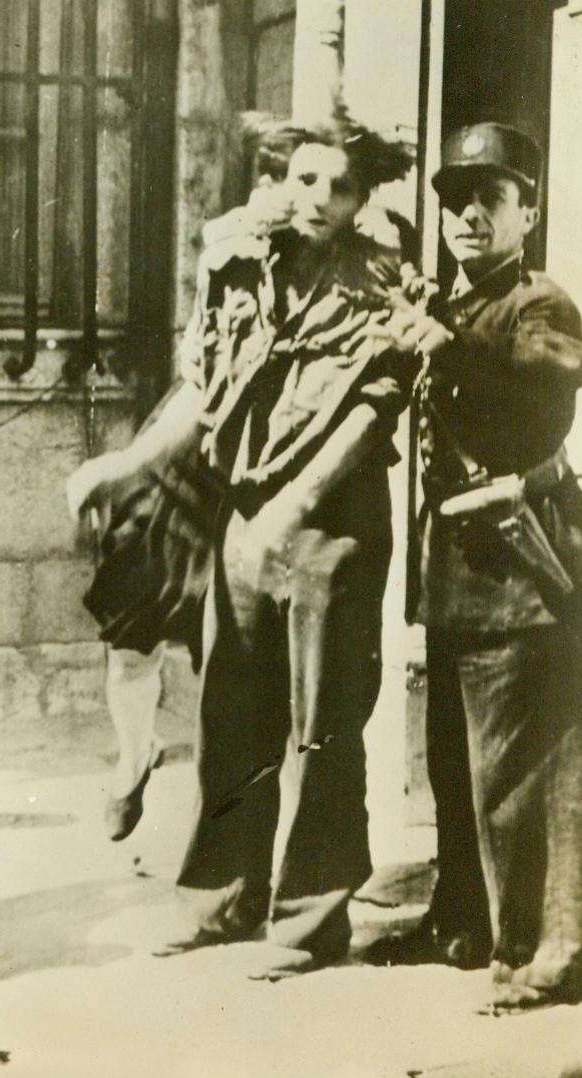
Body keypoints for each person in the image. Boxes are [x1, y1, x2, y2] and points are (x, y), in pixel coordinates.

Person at [72, 109, 416, 972]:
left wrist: (294, 508)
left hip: (329, 527)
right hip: (244, 513)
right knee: (231, 709)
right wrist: (128, 464)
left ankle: (310, 920)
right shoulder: (237, 269)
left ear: (361, 197)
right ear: (279, 179)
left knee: (321, 723)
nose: (320, 200)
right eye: (305, 180)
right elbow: (203, 389)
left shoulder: (384, 282)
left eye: (340, 187)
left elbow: (372, 415)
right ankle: (219, 900)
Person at [367, 122, 582, 1011]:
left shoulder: (543, 303)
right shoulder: (446, 305)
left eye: (488, 199)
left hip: (518, 573)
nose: (465, 215)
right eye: (453, 199)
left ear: (525, 212)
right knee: (454, 766)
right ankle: (458, 921)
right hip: (453, 572)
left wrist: (442, 343)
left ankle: (537, 953)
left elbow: (542, 373)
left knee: (515, 776)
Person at [67, 392, 218, 842]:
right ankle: (134, 760)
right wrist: (126, 465)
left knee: (233, 654)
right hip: (172, 468)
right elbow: (200, 381)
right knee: (132, 640)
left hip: (248, 483)